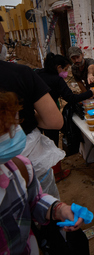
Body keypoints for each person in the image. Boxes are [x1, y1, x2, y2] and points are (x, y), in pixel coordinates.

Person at [0, 91, 87, 254]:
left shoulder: (19, 167)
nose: (16, 132)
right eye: (5, 130)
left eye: (15, 123)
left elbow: (34, 200)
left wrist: (58, 209)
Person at [0, 16, 64, 198]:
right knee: (45, 204)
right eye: (3, 38)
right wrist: (27, 119)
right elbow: (54, 120)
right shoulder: (21, 74)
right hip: (29, 154)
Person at [35, 52, 94, 182]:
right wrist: (89, 93)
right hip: (48, 114)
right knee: (51, 143)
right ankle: (56, 173)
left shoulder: (38, 73)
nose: (66, 72)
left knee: (38, 143)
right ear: (58, 67)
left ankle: (40, 172)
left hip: (33, 113)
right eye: (65, 69)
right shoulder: (56, 79)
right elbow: (71, 98)